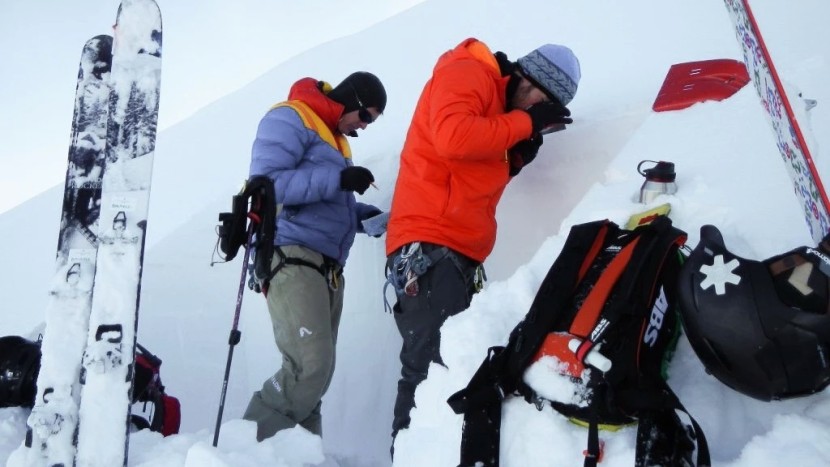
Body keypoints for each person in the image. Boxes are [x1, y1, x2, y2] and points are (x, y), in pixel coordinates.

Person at [384, 38, 581, 444]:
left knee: (456, 368)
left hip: (456, 256)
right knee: (431, 373)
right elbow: (453, 138)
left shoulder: (497, 109)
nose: (532, 116)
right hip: (431, 249)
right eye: (538, 107)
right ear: (529, 83)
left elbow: (471, 173)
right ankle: (408, 453)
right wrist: (524, 125)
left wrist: (517, 153)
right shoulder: (468, 71)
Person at [243, 71, 387, 441]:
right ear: (351, 98)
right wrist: (339, 181)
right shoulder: (290, 117)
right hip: (291, 255)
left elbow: (325, 206)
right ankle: (247, 451)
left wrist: (360, 215)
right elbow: (267, 183)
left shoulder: (337, 142)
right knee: (310, 365)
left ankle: (298, 456)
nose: (364, 126)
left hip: (326, 267)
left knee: (317, 374)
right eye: (366, 116)